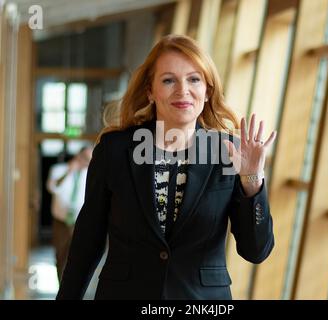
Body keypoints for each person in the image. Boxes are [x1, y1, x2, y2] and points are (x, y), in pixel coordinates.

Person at [56, 34, 277, 300]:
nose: (182, 90)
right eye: (169, 80)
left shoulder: (229, 153)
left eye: (194, 79)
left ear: (207, 90)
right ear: (151, 90)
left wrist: (251, 181)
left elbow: (256, 251)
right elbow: (87, 242)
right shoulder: (115, 150)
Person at [47, 146, 93, 282]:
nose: (86, 162)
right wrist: (69, 171)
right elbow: (52, 187)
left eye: (90, 160)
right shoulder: (58, 169)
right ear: (78, 155)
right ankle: (61, 286)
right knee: (60, 256)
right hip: (60, 221)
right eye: (85, 158)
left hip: (80, 222)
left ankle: (72, 287)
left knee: (76, 257)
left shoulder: (91, 174)